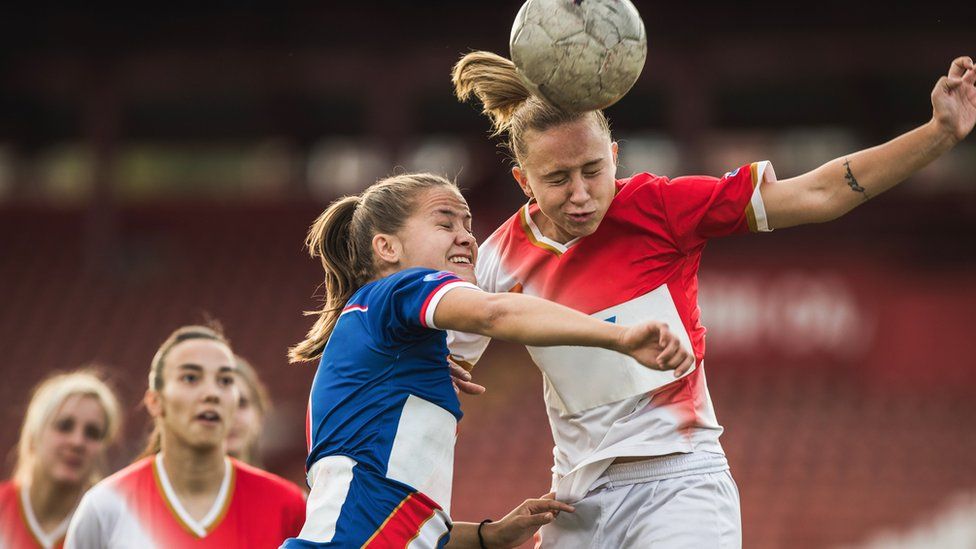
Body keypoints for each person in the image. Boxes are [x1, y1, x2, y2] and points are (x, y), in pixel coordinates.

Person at [449, 52, 976, 548]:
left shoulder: (661, 206)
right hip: (574, 504)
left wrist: (937, 134)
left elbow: (820, 194)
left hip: (680, 485)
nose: (582, 194)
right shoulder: (500, 260)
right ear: (523, 181)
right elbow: (446, 357)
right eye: (558, 179)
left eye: (593, 170)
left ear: (614, 156)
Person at [282, 172, 694, 548]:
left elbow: (393, 512)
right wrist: (619, 336)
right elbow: (494, 312)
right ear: (387, 247)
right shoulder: (398, 289)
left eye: (468, 225)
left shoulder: (381, 347)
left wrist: (487, 535)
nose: (466, 238)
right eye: (445, 224)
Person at [65, 325, 306, 548]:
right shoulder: (106, 505)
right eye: (190, 377)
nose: (212, 393)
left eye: (225, 380)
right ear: (155, 402)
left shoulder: (288, 507)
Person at [0, 371, 121, 549]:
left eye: (92, 433)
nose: (77, 442)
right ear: (34, 434)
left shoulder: (111, 526)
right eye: (64, 426)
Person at [226, 355, 272, 468]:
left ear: (260, 415)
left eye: (241, 403)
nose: (232, 417)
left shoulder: (277, 486)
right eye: (219, 404)